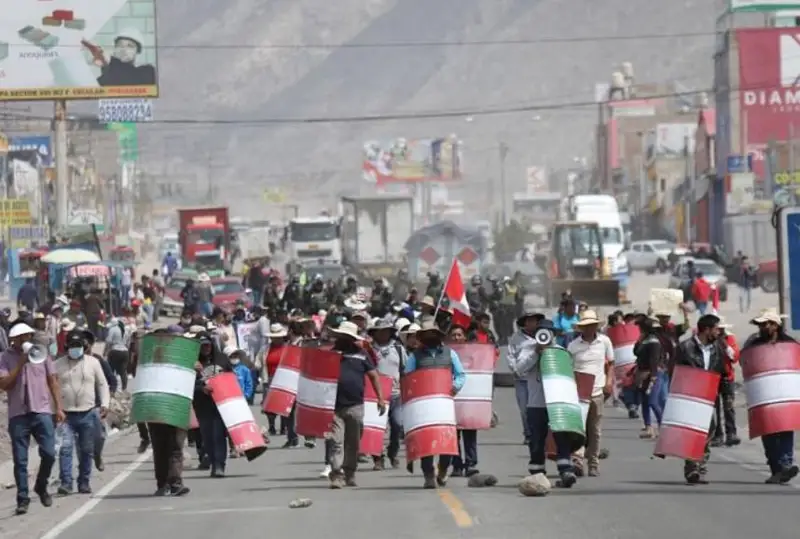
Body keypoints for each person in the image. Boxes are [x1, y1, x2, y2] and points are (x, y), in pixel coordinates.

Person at [0, 322, 65, 515]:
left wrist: (59, 407)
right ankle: (23, 498)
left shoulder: (42, 354)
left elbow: (52, 381)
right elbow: (4, 384)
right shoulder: (4, 358)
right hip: (18, 414)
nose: (24, 340)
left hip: (41, 410)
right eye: (20, 337)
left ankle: (41, 485)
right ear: (13, 340)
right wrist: (20, 364)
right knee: (20, 460)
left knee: (49, 453)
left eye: (27, 336)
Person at [508, 318, 578, 488]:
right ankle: (537, 473)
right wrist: (536, 353)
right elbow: (519, 369)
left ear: (553, 334)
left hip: (557, 403)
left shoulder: (561, 352)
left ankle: (565, 470)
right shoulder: (529, 350)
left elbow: (569, 375)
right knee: (536, 439)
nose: (545, 335)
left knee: (562, 437)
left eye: (548, 332)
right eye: (541, 332)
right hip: (536, 403)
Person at [404, 317, 466, 489]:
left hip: (443, 403)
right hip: (424, 405)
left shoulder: (450, 353)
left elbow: (461, 374)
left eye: (433, 333)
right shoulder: (415, 356)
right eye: (427, 334)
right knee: (425, 441)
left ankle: (443, 469)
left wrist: (455, 387)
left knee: (446, 439)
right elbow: (408, 377)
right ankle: (428, 475)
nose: (430, 337)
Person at [742, 308, 799, 484]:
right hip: (763, 393)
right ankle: (776, 468)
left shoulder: (789, 343)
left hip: (783, 393)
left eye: (766, 324)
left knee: (784, 428)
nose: (763, 327)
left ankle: (786, 464)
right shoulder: (754, 344)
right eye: (761, 324)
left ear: (775, 325)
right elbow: (745, 362)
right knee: (768, 432)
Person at [328, 321, 386, 488]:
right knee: (336, 442)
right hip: (334, 406)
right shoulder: (332, 354)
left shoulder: (362, 354)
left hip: (355, 405)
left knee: (353, 443)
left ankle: (350, 472)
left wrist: (380, 399)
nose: (344, 340)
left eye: (348, 337)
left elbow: (374, 376)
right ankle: (336, 475)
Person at [54, 330, 110, 495]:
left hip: (88, 412)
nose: (75, 349)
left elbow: (102, 384)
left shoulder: (93, 362)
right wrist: (54, 410)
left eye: (78, 346)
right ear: (66, 347)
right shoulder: (58, 365)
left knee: (86, 450)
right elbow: (52, 388)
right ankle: (66, 483)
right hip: (66, 415)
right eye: (72, 346)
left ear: (84, 347)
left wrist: (105, 403)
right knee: (65, 449)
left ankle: (84, 482)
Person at [671, 314, 724, 484]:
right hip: (690, 396)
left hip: (709, 395)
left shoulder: (717, 348)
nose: (718, 332)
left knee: (709, 430)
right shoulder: (685, 347)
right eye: (716, 329)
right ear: (707, 329)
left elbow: (719, 370)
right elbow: (674, 371)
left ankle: (700, 464)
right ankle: (692, 467)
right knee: (692, 431)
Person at [567, 310, 614, 477]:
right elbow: (568, 368)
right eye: (585, 326)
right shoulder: (573, 346)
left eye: (591, 325)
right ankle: (577, 460)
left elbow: (610, 365)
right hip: (578, 392)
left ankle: (593, 462)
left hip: (597, 391)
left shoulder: (604, 342)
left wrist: (609, 383)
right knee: (578, 428)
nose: (589, 329)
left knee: (594, 430)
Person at [367, 318, 406, 471]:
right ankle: (378, 458)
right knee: (376, 429)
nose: (383, 334)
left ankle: (393, 452)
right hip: (375, 395)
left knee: (397, 425)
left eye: (386, 331)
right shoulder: (369, 349)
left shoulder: (398, 348)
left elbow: (404, 369)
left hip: (396, 394)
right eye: (380, 331)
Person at [507, 312, 543, 445]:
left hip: (536, 377)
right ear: (525, 323)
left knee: (537, 407)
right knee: (524, 408)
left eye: (534, 321)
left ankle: (537, 433)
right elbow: (510, 355)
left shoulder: (543, 336)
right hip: (521, 379)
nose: (532, 323)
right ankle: (528, 433)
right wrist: (514, 369)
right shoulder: (516, 338)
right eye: (529, 321)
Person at [83, 28, 157, 87]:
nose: (124, 49)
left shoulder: (147, 74)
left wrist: (109, 63)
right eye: (120, 45)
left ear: (137, 51)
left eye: (130, 46)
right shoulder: (100, 82)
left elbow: (127, 77)